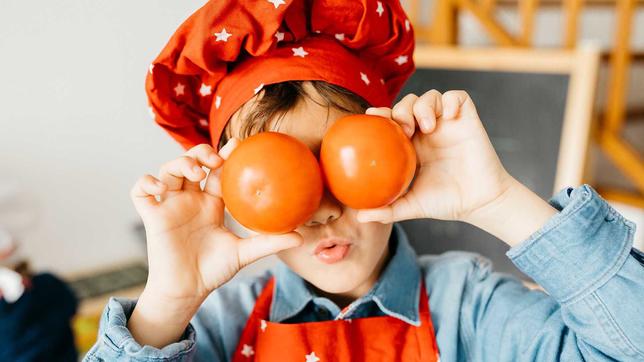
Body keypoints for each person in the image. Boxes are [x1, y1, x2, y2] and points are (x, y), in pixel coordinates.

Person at [85, 0, 644, 361]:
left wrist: (500, 202)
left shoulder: (467, 306)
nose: (323, 210)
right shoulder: (214, 329)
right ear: (231, 192)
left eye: (344, 165)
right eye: (286, 178)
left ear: (398, 153)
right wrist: (167, 302)